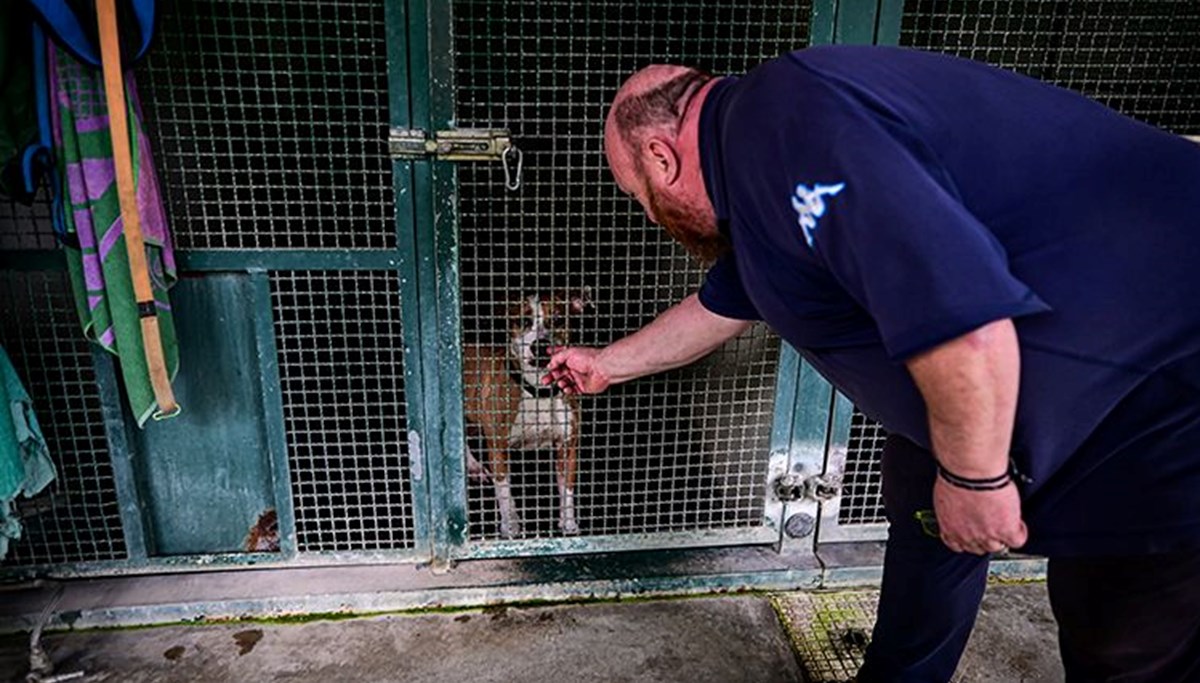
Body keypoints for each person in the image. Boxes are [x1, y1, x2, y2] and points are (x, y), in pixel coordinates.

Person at [543, 45, 1200, 682]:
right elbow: (725, 303)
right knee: (923, 510)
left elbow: (964, 323)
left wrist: (975, 480)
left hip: (1156, 371)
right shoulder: (758, 166)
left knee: (1121, 630)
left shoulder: (798, 120)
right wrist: (610, 364)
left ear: (661, 157)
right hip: (1007, 392)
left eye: (640, 198)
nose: (653, 217)